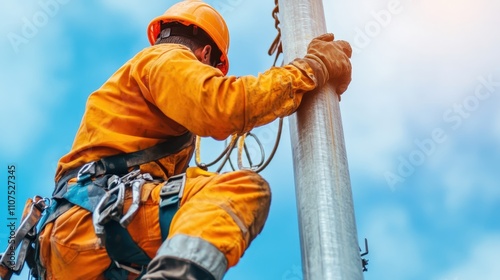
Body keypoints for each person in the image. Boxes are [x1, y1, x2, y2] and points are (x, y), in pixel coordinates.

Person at [36, 0, 352, 279]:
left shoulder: (134, 90)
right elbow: (224, 106)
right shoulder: (165, 59)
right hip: (97, 222)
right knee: (240, 191)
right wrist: (311, 68)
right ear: (205, 55)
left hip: (81, 242)